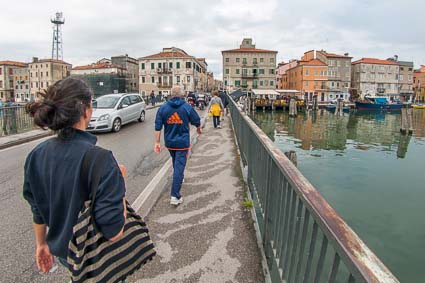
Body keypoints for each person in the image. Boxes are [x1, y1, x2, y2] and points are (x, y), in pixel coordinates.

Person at [23, 77, 127, 273]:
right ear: (86, 111)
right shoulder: (102, 159)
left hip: (65, 254)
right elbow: (114, 232)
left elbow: (37, 208)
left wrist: (41, 244)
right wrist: (120, 183)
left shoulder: (36, 155)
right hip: (96, 256)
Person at [154, 85, 201, 206]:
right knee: (179, 167)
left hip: (170, 143)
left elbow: (158, 126)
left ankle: (179, 178)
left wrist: (157, 142)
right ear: (182, 95)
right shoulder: (187, 107)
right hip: (182, 143)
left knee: (176, 162)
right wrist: (199, 129)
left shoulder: (163, 108)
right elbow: (196, 120)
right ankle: (175, 196)